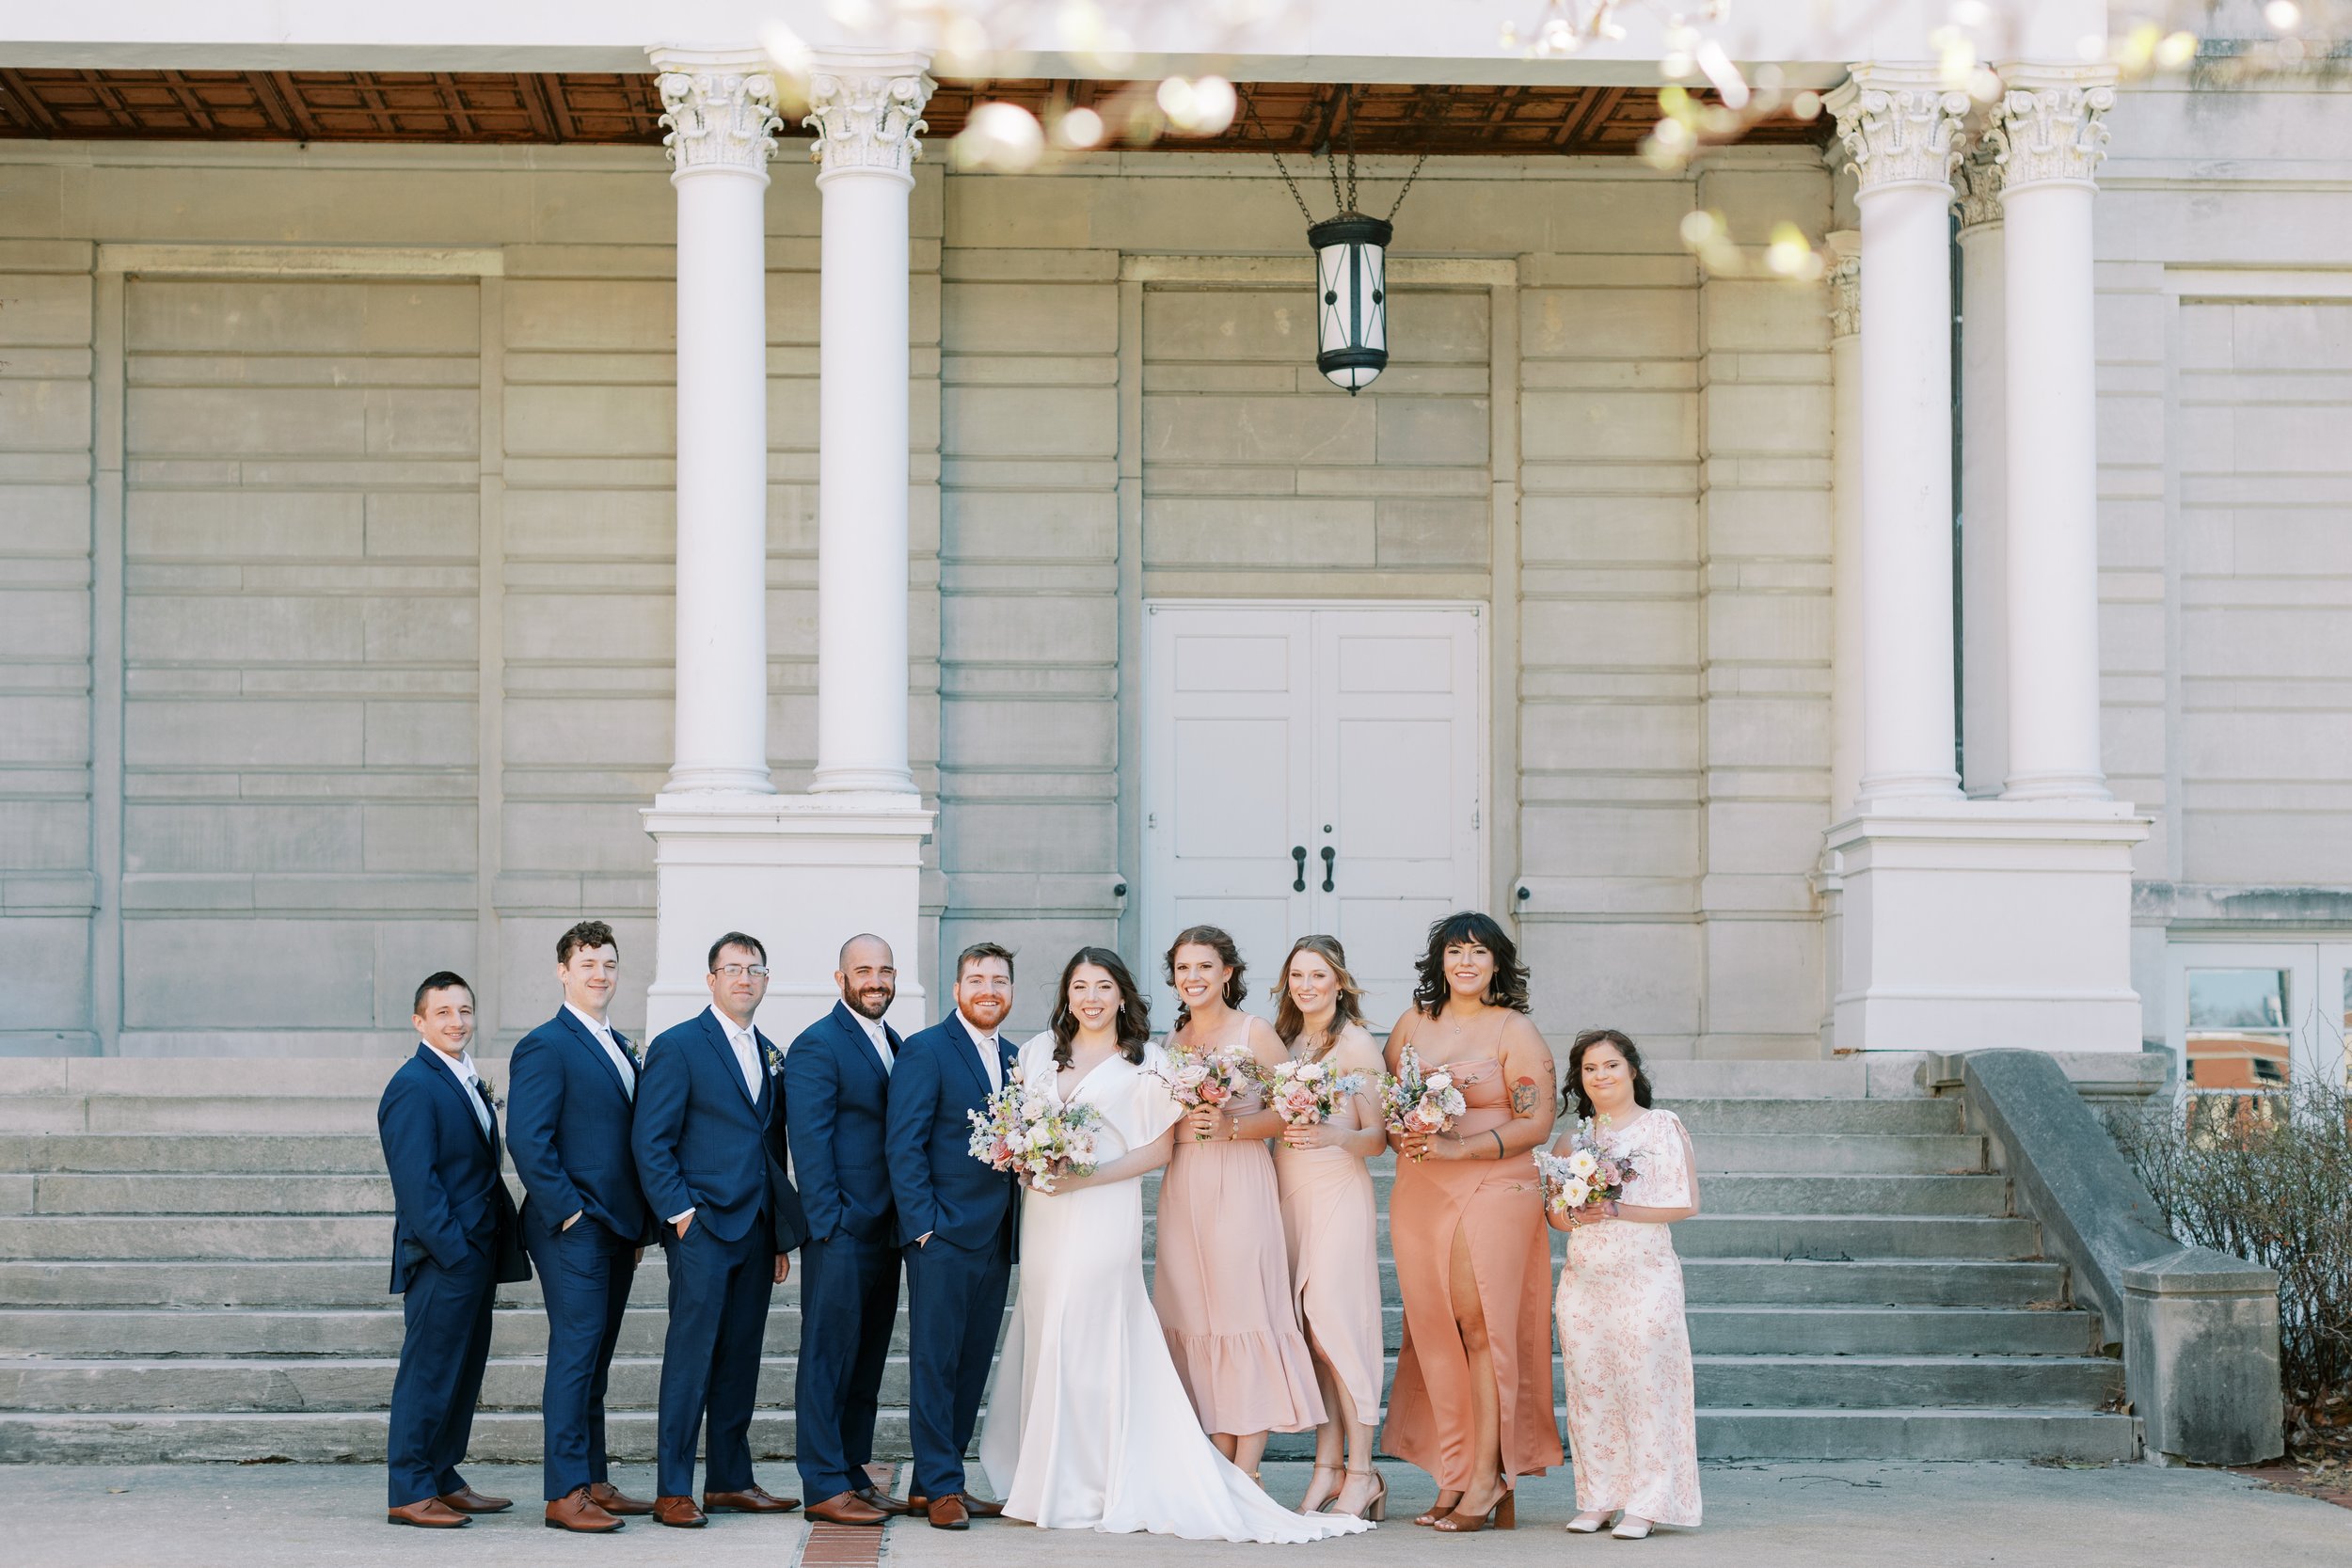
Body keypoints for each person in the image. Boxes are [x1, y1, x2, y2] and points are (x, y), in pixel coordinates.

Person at [977, 948, 1370, 1544]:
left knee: (1106, 1326)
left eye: (1103, 985)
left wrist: (1088, 1172)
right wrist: (1025, 1157)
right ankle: (1047, 1470)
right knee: (1049, 1328)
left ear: (1122, 994)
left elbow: (1201, 1134)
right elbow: (1016, 1122)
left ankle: (1210, 1471)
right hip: (1049, 1216)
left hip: (1113, 1208)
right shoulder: (1040, 1052)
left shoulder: (1150, 1060)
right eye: (1079, 985)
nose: (1091, 997)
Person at [1382, 911, 1562, 1532]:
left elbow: (1536, 1123)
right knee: (1436, 1330)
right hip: (1421, 1186)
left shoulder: (1515, 1029)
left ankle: (1490, 1475)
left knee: (1481, 1325)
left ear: (1496, 965)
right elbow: (1388, 1101)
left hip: (1494, 1183)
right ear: (1440, 960)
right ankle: (1453, 1473)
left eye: (1478, 953)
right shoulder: (1411, 1023)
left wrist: (1462, 1148)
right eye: (1454, 950)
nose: (1464, 962)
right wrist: (1399, 1128)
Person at [632, 932, 809, 1528]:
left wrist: (780, 1233)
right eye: (731, 969)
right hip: (703, 1228)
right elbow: (650, 1141)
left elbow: (770, 1146)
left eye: (754, 969)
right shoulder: (679, 1046)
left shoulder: (770, 1052)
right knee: (691, 1358)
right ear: (710, 980)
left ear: (765, 980)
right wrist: (681, 1215)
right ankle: (673, 1488)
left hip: (756, 1230)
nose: (743, 978)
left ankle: (730, 1480)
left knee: (741, 1359)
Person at [1153, 926, 1323, 1482]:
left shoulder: (1255, 1032)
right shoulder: (1174, 1041)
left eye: (1205, 966)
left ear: (1227, 972)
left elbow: (1292, 1110)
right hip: (1185, 1188)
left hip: (1240, 1183)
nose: (1193, 978)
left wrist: (1233, 1126)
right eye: (1183, 968)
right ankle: (1217, 1466)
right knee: (1195, 1317)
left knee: (1242, 1313)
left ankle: (1246, 1473)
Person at [505, 919, 654, 1532]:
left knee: (595, 1354)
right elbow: (528, 1138)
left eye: (609, 963)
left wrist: (637, 1227)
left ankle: (592, 1477)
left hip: (616, 1225)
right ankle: (564, 1490)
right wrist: (569, 1209)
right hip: (571, 1224)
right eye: (587, 963)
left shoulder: (619, 1043)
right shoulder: (546, 1044)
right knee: (575, 1351)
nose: (600, 973)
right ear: (563, 971)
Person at [377, 971, 529, 1528]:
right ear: (419, 1021)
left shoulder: (464, 1077)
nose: (456, 1021)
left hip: (476, 1256)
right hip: (445, 1257)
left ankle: (442, 1475)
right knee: (429, 1371)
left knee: (463, 1372)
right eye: (443, 1013)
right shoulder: (413, 1085)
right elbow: (416, 1185)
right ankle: (409, 1488)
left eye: (464, 1010)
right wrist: (455, 1253)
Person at [884, 942, 1023, 1530]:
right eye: (976, 978)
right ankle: (942, 1484)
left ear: (1011, 989)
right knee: (936, 1362)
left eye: (999, 979)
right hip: (941, 1236)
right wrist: (922, 1228)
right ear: (957, 989)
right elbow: (904, 1144)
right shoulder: (926, 1051)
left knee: (971, 1363)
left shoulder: (1021, 1058)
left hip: (997, 1235)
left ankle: (935, 1484)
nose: (988, 988)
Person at [1549, 1029, 1702, 1541]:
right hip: (1585, 1280)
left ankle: (1648, 1501)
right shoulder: (1574, 1139)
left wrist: (1615, 1207)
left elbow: (1685, 1204)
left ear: (1632, 1069)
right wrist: (1575, 1213)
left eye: (1611, 1065)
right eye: (1590, 1069)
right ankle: (1598, 1498)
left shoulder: (1661, 1127)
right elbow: (1554, 1216)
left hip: (1645, 1276)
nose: (1601, 1076)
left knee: (1647, 1387)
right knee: (1591, 1388)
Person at [783, 934, 914, 1525]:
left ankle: (853, 1469)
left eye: (885, 971)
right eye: (863, 970)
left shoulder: (896, 1042)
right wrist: (830, 1223)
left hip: (887, 1229)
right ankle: (822, 1483)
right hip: (840, 1232)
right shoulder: (817, 1045)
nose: (876, 981)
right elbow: (808, 1144)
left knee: (866, 1357)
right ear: (840, 979)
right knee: (828, 1357)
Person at [1269, 935, 1390, 1520]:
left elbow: (1378, 1138)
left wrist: (1335, 1135)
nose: (1306, 985)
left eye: (1318, 975)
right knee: (1309, 1334)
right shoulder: (1286, 1041)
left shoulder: (1357, 1044)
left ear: (1340, 981)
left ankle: (1364, 1473)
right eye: (1298, 975)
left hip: (1338, 1189)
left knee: (1341, 1326)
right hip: (1289, 1190)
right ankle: (1328, 1467)